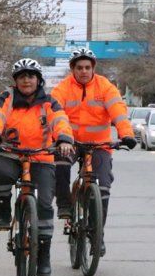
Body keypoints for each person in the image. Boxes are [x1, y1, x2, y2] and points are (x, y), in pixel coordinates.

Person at [0, 58, 74, 276]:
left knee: (44, 203)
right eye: (22, 76)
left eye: (31, 76)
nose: (26, 80)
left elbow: (60, 121)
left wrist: (63, 139)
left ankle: (43, 256)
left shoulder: (49, 102)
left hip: (40, 155)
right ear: (15, 80)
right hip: (10, 152)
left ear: (38, 80)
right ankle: (4, 210)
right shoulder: (6, 98)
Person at [51, 48, 136, 257]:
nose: (84, 71)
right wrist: (63, 138)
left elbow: (118, 111)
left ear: (93, 68)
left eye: (87, 67)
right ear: (72, 69)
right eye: (79, 68)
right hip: (69, 143)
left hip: (99, 144)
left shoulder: (105, 87)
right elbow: (54, 111)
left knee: (104, 186)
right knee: (60, 165)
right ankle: (65, 205)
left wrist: (127, 134)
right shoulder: (62, 88)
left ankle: (98, 234)